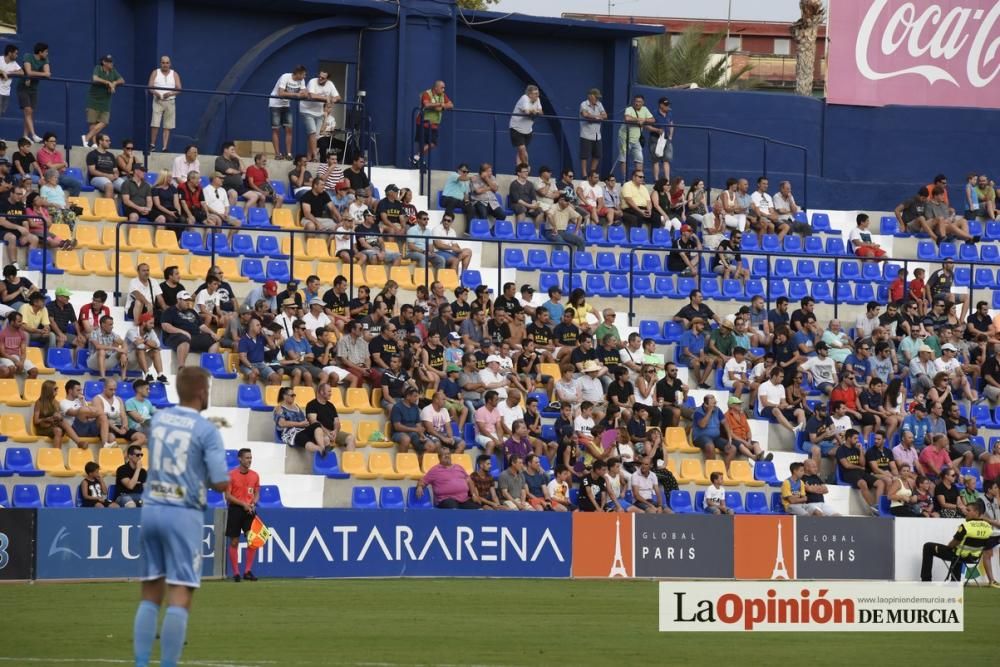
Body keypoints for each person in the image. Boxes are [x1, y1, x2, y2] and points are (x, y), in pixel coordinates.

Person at [133, 367, 229, 667]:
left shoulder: (159, 419)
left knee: (150, 591)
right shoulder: (206, 430)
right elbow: (221, 481)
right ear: (202, 392)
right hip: (182, 512)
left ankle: (140, 662)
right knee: (181, 593)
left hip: (150, 508)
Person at [920, 499, 992, 581]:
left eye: (968, 510)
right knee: (958, 552)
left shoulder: (966, 526)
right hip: (973, 558)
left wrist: (949, 546)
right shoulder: (988, 527)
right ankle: (955, 581)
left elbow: (953, 544)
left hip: (958, 555)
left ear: (976, 512)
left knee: (928, 546)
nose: (965, 512)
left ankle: (926, 580)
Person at [225, 448, 261, 582]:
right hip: (235, 509)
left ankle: (247, 571)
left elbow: (257, 492)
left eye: (250, 458)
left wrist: (254, 503)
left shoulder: (255, 475)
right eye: (247, 458)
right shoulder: (231, 475)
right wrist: (242, 504)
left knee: (252, 540)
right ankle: (235, 573)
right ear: (240, 459)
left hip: (249, 510)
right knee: (234, 541)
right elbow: (227, 496)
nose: (249, 460)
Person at [416, 445, 479, 509]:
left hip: (464, 500)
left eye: (448, 454)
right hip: (446, 500)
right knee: (453, 508)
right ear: (439, 457)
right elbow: (423, 481)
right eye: (444, 454)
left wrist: (473, 495)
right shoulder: (435, 470)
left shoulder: (459, 467)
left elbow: (469, 480)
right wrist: (420, 486)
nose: (447, 456)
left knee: (478, 509)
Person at [83, 54, 124, 148]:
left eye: (112, 62)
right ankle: (93, 143)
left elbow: (122, 80)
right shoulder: (98, 68)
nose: (111, 63)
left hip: (105, 101)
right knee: (93, 122)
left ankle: (86, 137)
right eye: (109, 62)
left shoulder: (113, 71)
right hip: (94, 99)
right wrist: (107, 82)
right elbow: (95, 78)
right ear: (104, 62)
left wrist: (114, 82)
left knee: (104, 122)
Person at [268, 65, 307, 159]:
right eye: (304, 75)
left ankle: (289, 154)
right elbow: (280, 93)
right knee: (276, 129)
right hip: (275, 104)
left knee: (289, 129)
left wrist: (300, 94)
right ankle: (278, 154)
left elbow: (305, 94)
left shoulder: (301, 81)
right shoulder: (285, 77)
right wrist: (296, 94)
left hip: (286, 104)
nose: (305, 77)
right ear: (298, 74)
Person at [302, 70, 341, 162]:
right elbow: (311, 95)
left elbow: (338, 97)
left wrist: (333, 99)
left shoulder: (330, 84)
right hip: (307, 109)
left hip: (318, 111)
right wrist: (326, 98)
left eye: (323, 78)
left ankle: (309, 156)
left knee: (313, 135)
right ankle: (315, 156)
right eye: (319, 76)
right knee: (312, 132)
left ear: (327, 79)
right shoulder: (312, 81)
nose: (320, 78)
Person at [414, 80, 453, 164]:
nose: (443, 90)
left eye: (444, 88)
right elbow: (427, 104)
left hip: (434, 124)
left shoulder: (443, 95)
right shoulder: (427, 93)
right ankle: (418, 160)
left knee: (433, 143)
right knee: (422, 143)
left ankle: (417, 157)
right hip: (423, 122)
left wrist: (442, 108)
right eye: (442, 88)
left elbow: (451, 105)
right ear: (436, 88)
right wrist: (439, 104)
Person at [148, 55, 181, 152]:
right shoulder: (155, 72)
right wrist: (156, 93)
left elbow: (179, 88)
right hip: (158, 101)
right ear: (160, 63)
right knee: (155, 123)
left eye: (167, 63)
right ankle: (152, 145)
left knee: (167, 125)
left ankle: (164, 147)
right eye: (163, 63)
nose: (165, 65)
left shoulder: (174, 74)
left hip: (170, 101)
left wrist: (170, 93)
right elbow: (150, 86)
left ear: (170, 64)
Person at [17, 42, 49, 143]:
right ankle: (34, 135)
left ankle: (25, 136)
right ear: (40, 52)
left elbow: (48, 74)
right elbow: (29, 71)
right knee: (27, 110)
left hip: (34, 88)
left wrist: (36, 74)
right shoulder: (28, 56)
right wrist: (42, 74)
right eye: (46, 52)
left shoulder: (45, 60)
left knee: (30, 112)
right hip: (23, 87)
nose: (47, 53)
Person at [509, 84, 543, 167]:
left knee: (520, 152)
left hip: (528, 130)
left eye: (537, 93)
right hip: (516, 128)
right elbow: (527, 111)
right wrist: (534, 111)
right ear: (529, 94)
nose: (537, 95)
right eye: (535, 93)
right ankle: (526, 167)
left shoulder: (537, 99)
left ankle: (519, 170)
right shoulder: (524, 98)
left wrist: (535, 111)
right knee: (522, 149)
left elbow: (541, 112)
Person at [579, 88, 607, 177]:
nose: (597, 99)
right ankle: (584, 174)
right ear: (590, 96)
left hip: (597, 135)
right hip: (586, 134)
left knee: (597, 155)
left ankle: (592, 172)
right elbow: (585, 115)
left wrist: (594, 118)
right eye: (596, 97)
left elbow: (605, 115)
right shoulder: (584, 104)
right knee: (584, 156)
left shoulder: (599, 104)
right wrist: (597, 117)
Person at [115, 444, 147, 508]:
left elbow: (146, 487)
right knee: (131, 505)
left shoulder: (143, 471)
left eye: (141, 455)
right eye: (138, 455)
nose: (140, 457)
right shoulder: (122, 469)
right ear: (130, 456)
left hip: (139, 496)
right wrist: (138, 469)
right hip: (124, 496)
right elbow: (130, 486)